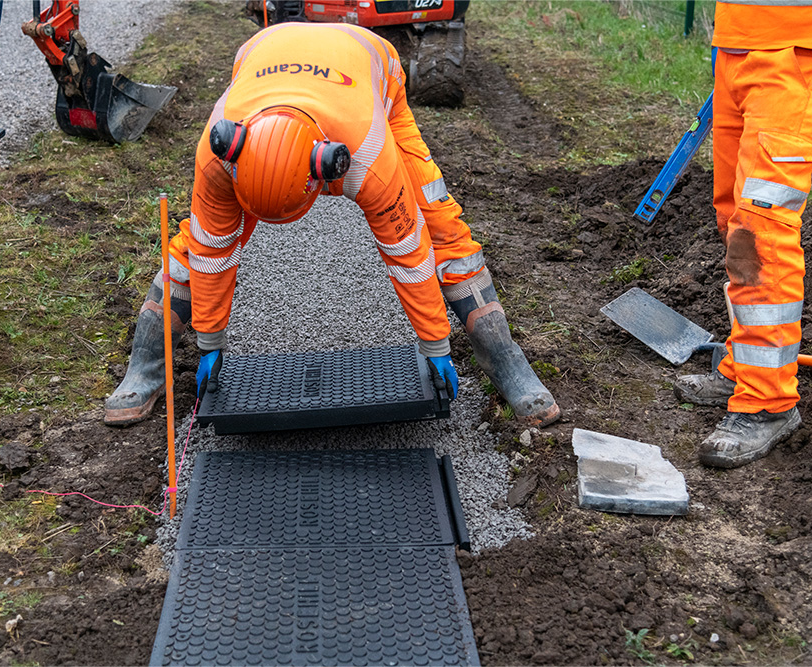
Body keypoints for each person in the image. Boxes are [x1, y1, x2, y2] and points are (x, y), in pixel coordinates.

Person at [104, 21, 560, 428]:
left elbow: (407, 253)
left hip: (367, 61)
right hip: (265, 51)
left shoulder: (366, 155)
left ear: (325, 172)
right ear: (234, 155)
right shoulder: (219, 152)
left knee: (437, 221)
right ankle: (144, 366)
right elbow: (212, 249)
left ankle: (505, 360)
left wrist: (435, 342)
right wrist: (211, 339)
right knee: (195, 243)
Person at [674, 0, 812, 468]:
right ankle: (746, 367)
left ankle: (768, 401)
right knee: (733, 219)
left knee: (760, 232)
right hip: (738, 45)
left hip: (799, 53)